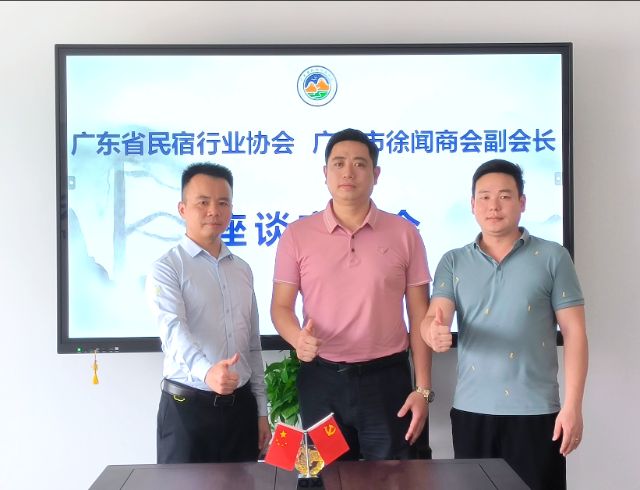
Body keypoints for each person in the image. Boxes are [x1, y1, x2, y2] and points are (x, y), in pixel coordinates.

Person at [421, 159, 588, 490]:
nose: (493, 206)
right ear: (472, 205)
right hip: (472, 412)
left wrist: (573, 407)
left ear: (522, 202)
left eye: (504, 196)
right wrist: (432, 333)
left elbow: (575, 333)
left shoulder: (553, 257)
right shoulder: (453, 261)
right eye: (484, 197)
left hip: (537, 412)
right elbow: (433, 318)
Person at [270, 128, 433, 461]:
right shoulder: (297, 235)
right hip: (322, 382)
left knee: (394, 479)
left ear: (376, 174)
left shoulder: (405, 234)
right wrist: (297, 338)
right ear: (325, 173)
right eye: (339, 163)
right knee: (328, 476)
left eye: (360, 164)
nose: (348, 172)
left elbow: (420, 315)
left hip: (387, 383)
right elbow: (281, 307)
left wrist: (423, 388)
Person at [146, 162, 271, 464]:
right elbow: (173, 331)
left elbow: (252, 346)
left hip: (241, 410)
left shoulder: (242, 270)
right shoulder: (167, 267)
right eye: (203, 202)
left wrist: (261, 411)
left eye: (223, 203)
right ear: (182, 209)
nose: (214, 211)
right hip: (187, 410)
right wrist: (207, 371)